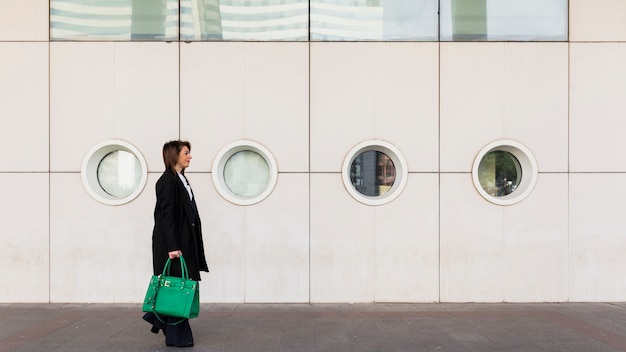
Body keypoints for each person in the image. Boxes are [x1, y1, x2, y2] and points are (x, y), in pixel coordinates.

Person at [143, 140, 209, 348]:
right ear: (174, 155)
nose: (190, 157)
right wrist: (172, 246)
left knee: (178, 285)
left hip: (183, 244)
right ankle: (177, 335)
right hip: (173, 247)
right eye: (186, 153)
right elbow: (167, 217)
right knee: (178, 288)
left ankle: (158, 318)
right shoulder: (167, 181)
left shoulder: (181, 179)